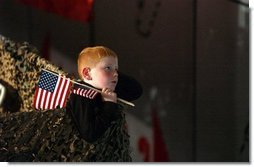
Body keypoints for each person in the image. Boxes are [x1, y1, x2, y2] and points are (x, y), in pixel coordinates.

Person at [66, 46, 142, 161]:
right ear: (87, 73)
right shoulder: (81, 94)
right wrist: (109, 105)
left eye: (116, 69)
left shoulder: (103, 90)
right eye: (108, 68)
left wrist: (111, 71)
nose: (116, 74)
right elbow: (90, 134)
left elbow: (136, 91)